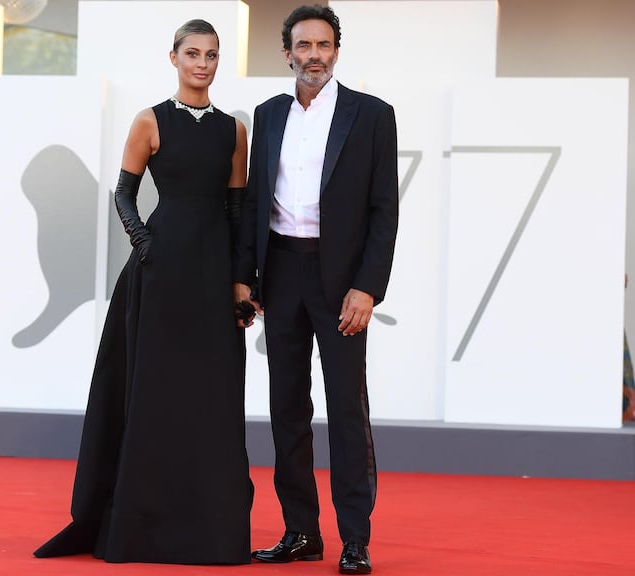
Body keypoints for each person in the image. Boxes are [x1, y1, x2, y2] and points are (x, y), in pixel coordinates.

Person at [34, 19, 252, 565]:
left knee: (212, 398)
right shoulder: (150, 121)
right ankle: (141, 527)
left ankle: (211, 530)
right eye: (193, 54)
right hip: (158, 275)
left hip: (211, 275)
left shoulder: (233, 130)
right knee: (154, 393)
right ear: (174, 57)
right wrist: (145, 244)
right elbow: (124, 193)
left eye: (212, 55)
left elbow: (236, 210)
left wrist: (241, 285)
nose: (203, 63)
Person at [233, 5, 398, 575]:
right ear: (288, 53)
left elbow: (384, 212)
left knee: (347, 413)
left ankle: (356, 538)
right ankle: (301, 531)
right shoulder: (269, 114)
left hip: (341, 281)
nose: (313, 55)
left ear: (336, 51)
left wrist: (367, 288)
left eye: (323, 45)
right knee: (287, 409)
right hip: (280, 273)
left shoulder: (372, 115)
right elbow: (256, 202)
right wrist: (247, 279)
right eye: (303, 45)